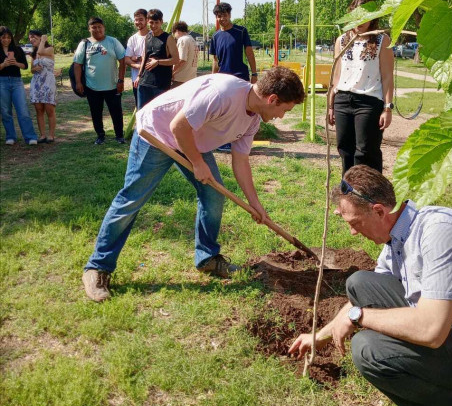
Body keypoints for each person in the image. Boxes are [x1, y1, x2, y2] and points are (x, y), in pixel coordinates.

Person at [82, 66, 305, 301]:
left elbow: (241, 162)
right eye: (285, 110)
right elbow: (178, 126)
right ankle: (98, 267)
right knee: (132, 199)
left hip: (191, 141)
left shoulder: (252, 121)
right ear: (272, 99)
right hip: (156, 134)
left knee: (213, 196)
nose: (282, 116)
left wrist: (255, 204)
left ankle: (207, 258)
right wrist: (198, 163)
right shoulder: (223, 94)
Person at [289, 165, 452, 406]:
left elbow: (432, 330)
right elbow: (363, 295)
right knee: (360, 283)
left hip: (441, 329)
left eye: (355, 223)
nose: (353, 233)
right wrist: (319, 337)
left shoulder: (438, 232)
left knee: (368, 349)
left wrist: (358, 316)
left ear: (379, 211)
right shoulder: (398, 239)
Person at [328, 0, 394, 175]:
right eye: (355, 16)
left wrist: (387, 108)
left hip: (369, 101)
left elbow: (388, 76)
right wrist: (331, 105)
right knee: (345, 149)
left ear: (372, 18)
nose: (359, 22)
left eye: (364, 17)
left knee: (365, 151)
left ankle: (371, 193)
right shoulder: (342, 40)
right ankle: (349, 192)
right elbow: (337, 75)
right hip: (342, 99)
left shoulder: (382, 41)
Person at [210, 2, 258, 152]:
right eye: (219, 16)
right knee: (224, 110)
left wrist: (254, 73)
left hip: (240, 77)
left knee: (240, 110)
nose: (222, 18)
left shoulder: (241, 31)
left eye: (224, 15)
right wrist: (212, 78)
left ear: (229, 15)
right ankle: (225, 141)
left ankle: (240, 139)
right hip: (223, 79)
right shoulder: (216, 36)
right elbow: (215, 60)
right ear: (216, 18)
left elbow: (249, 53)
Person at [73, 16, 126, 145]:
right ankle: (100, 136)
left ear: (104, 28)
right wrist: (78, 82)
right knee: (96, 113)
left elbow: (123, 61)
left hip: (112, 86)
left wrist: (121, 80)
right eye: (94, 27)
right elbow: (77, 64)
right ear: (89, 29)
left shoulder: (113, 42)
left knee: (116, 112)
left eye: (99, 27)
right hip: (92, 87)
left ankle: (119, 135)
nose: (97, 30)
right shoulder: (84, 44)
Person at [0, 26, 38, 145]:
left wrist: (15, 63)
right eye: (3, 37)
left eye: (8, 37)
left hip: (16, 82)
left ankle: (30, 137)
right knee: (5, 111)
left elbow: (25, 66)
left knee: (22, 109)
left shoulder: (17, 50)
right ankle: (10, 136)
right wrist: (3, 65)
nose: (6, 40)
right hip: (2, 82)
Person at [136, 9, 179, 109]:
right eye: (151, 22)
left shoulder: (168, 38)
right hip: (145, 82)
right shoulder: (148, 36)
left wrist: (158, 62)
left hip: (161, 84)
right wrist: (139, 75)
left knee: (159, 115)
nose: (154, 25)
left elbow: (176, 59)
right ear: (147, 22)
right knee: (142, 113)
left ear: (161, 22)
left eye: (156, 22)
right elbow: (144, 57)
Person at [28, 30, 57, 143]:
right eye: (30, 38)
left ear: (40, 37)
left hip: (48, 83)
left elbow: (40, 51)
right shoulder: (33, 54)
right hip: (36, 83)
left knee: (50, 109)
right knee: (39, 110)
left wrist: (44, 40)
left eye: (34, 37)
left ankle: (51, 135)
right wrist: (34, 69)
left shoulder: (49, 49)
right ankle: (42, 135)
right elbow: (31, 70)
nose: (31, 40)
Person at [125, 8, 149, 106]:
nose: (138, 22)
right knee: (140, 106)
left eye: (140, 19)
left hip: (153, 79)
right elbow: (127, 59)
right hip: (137, 80)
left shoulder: (153, 36)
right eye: (136, 20)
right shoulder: (132, 39)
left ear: (147, 20)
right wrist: (140, 65)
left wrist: (137, 58)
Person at [171, 21, 199, 87]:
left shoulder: (182, 40)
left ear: (177, 31)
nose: (175, 37)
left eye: (174, 33)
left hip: (181, 78)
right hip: (191, 77)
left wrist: (172, 71)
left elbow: (182, 59)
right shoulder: (192, 40)